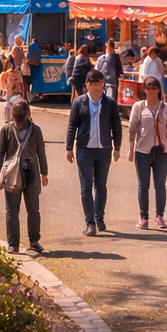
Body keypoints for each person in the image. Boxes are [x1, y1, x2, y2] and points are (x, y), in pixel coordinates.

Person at [66, 72, 123, 235]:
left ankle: (99, 217)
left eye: (101, 82)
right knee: (85, 187)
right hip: (85, 150)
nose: (99, 86)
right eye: (95, 83)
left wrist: (117, 147)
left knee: (101, 186)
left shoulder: (110, 103)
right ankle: (90, 222)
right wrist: (69, 148)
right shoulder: (79, 102)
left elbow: (116, 126)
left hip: (104, 150)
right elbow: (72, 126)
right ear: (87, 84)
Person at [0, 98, 48, 254]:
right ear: (28, 114)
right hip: (32, 174)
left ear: (12, 116)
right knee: (33, 210)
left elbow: (0, 153)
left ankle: (13, 244)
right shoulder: (35, 130)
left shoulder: (6, 130)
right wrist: (44, 173)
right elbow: (41, 153)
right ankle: (34, 241)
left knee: (12, 211)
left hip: (11, 174)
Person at [128, 76, 167, 229]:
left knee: (160, 185)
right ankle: (143, 218)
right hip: (143, 151)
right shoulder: (138, 107)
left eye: (154, 87)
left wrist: (165, 124)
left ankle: (160, 216)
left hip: (162, 151)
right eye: (148, 87)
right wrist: (130, 149)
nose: (151, 90)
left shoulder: (166, 108)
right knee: (143, 185)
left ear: (158, 89)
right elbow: (132, 130)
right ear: (144, 89)